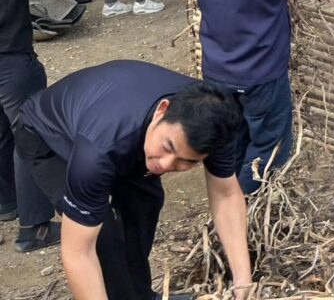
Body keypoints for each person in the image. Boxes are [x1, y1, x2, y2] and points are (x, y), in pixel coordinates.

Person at [14, 61, 252, 300]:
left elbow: (226, 194)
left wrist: (243, 282)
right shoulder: (97, 152)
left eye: (186, 161)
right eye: (168, 147)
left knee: (144, 203)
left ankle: (138, 295)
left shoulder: (216, 126)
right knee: (102, 234)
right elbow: (78, 252)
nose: (165, 165)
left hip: (120, 126)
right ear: (162, 111)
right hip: (48, 136)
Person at [175, 0, 306, 194]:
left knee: (227, 142)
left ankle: (227, 197)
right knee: (269, 146)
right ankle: (246, 203)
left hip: (217, 71)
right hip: (263, 76)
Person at [0, 0, 65, 254]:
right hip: (10, 55)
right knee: (29, 135)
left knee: (3, 134)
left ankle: (7, 203)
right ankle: (34, 228)